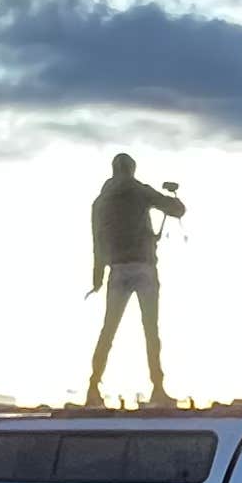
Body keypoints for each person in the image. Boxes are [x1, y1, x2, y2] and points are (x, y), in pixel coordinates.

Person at [83, 152, 188, 408]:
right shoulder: (140, 191)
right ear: (132, 169)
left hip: (117, 270)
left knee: (108, 330)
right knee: (151, 330)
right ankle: (158, 390)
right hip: (143, 268)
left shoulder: (100, 202)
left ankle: (93, 388)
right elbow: (177, 210)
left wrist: (97, 279)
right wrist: (174, 195)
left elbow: (97, 242)